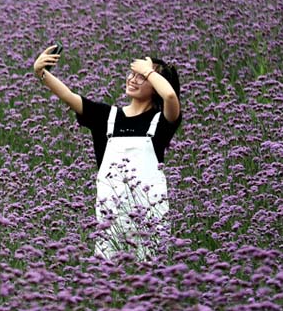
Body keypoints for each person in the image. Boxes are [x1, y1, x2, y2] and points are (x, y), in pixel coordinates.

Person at [32, 45, 182, 260]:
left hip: (151, 215)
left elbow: (169, 96)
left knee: (151, 269)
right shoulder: (106, 117)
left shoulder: (162, 121)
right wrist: (41, 73)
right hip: (110, 216)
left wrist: (149, 70)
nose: (133, 79)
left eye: (143, 77)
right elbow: (67, 95)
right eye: (133, 74)